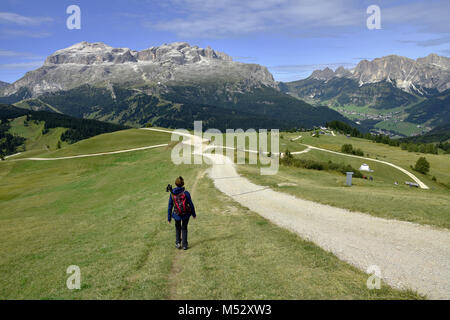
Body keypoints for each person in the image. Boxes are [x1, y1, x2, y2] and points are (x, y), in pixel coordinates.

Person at [168, 176, 196, 250]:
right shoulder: (186, 193)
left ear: (176, 184)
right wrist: (193, 214)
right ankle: (184, 245)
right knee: (184, 228)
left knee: (177, 228)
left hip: (176, 215)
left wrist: (169, 217)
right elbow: (191, 204)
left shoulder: (172, 194)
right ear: (183, 184)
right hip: (186, 214)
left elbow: (170, 206)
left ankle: (178, 243)